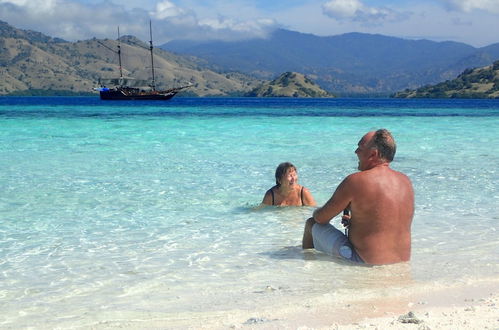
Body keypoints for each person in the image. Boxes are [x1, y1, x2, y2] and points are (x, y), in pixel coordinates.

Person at [302, 129, 414, 265]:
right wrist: (356, 222)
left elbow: (321, 218)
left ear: (373, 154)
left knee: (311, 224)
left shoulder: (355, 181)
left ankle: (305, 271)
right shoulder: (406, 182)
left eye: (360, 147)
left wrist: (316, 211)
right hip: (401, 264)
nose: (356, 152)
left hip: (364, 262)